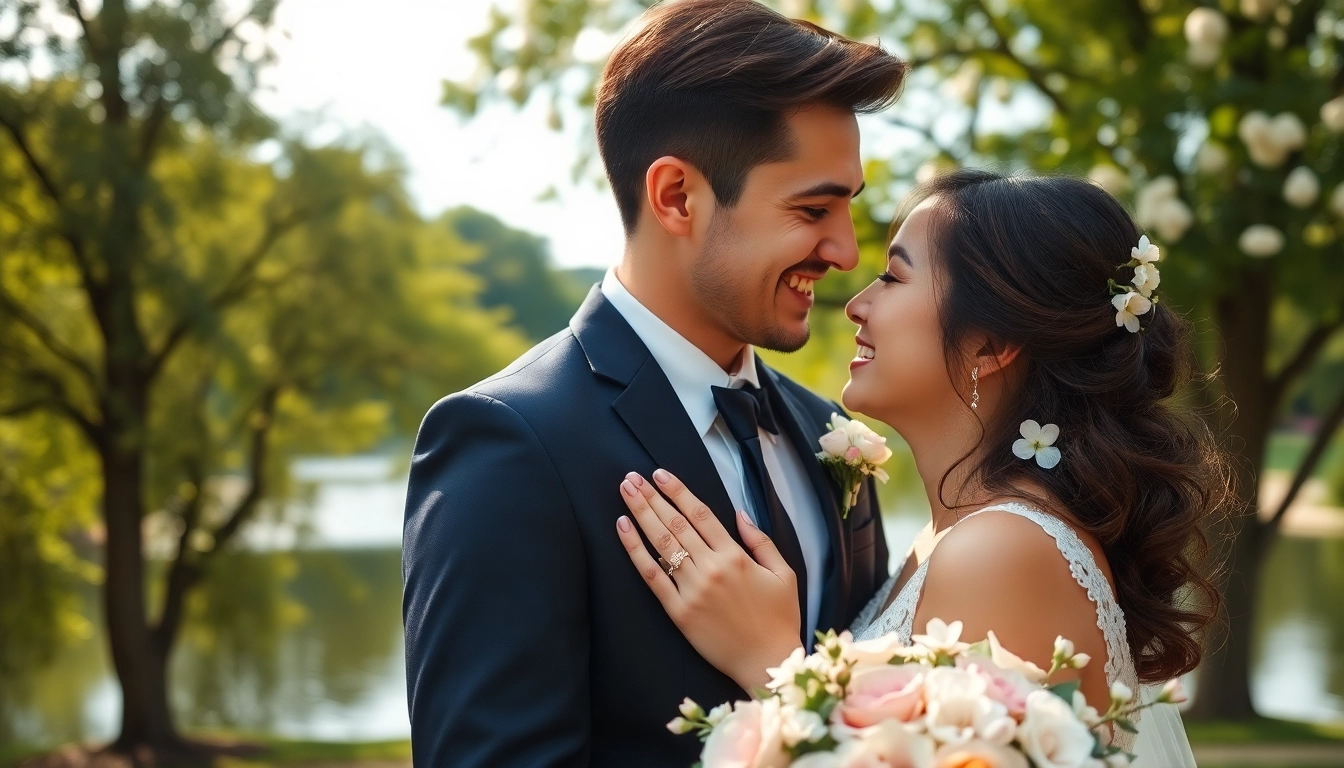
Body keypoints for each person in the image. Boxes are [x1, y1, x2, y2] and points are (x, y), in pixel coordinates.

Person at [400, 1, 907, 766]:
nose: (842, 250)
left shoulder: (830, 436)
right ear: (676, 196)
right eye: (813, 208)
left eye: (848, 208)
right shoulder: (510, 443)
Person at [615, 170, 1230, 767]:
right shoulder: (958, 536)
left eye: (893, 276)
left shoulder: (1002, 550)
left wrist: (771, 661)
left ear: (989, 346)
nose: (857, 304)